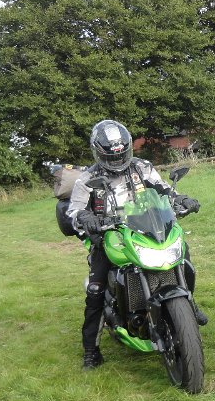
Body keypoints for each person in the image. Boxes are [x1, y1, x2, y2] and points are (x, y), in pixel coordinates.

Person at [66, 119, 204, 370]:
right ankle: (91, 351)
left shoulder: (142, 167)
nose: (118, 160)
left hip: (146, 227)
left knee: (182, 255)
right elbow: (74, 211)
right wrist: (85, 217)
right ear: (98, 153)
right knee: (96, 290)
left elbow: (163, 190)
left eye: (121, 154)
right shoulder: (87, 178)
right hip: (110, 234)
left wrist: (181, 199)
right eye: (112, 156)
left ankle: (189, 305)